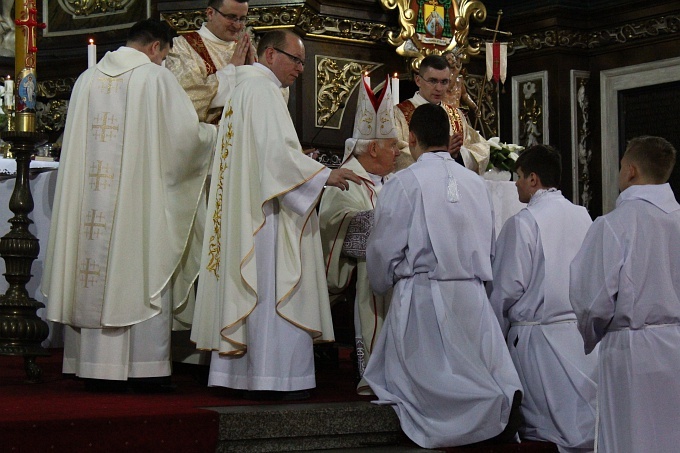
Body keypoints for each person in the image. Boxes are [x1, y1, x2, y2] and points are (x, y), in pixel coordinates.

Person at [41, 19, 217, 390]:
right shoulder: (155, 79)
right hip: (137, 207)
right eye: (166, 55)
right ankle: (142, 368)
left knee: (90, 268)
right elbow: (183, 140)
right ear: (156, 47)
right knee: (137, 267)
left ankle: (88, 363)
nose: (164, 62)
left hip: (90, 207)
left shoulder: (86, 80)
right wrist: (212, 134)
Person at [190, 29, 361, 398]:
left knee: (256, 288)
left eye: (303, 61)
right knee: (272, 285)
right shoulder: (263, 91)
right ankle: (273, 377)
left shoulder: (243, 91)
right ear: (269, 55)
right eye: (295, 59)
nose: (300, 68)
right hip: (266, 217)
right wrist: (324, 175)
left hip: (252, 209)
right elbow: (276, 157)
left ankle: (241, 375)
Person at [363, 103, 523, 448]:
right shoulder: (476, 183)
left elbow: (383, 247)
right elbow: (489, 241)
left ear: (412, 137)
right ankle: (498, 405)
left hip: (424, 294)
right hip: (472, 294)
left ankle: (478, 411)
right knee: (477, 366)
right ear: (451, 137)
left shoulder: (404, 182)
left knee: (428, 380)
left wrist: (382, 281)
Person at [570, 136, 680, 453]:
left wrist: (592, 335)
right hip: (675, 345)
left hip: (632, 348)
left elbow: (592, 302)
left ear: (630, 170)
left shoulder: (615, 224)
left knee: (631, 438)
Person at [488, 144, 598, 453]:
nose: (517, 184)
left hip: (536, 340)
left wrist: (493, 334)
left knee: (543, 432)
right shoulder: (583, 216)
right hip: (579, 340)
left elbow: (506, 290)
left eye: (519, 177)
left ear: (534, 179)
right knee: (583, 421)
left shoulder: (523, 223)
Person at [319, 76, 400, 395]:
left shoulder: (386, 183)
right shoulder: (348, 180)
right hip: (354, 273)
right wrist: (363, 222)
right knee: (374, 269)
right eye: (393, 144)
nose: (399, 150)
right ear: (375, 147)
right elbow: (332, 222)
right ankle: (375, 371)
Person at [394, 54, 489, 173]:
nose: (439, 88)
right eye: (433, 81)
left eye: (444, 82)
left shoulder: (456, 115)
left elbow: (481, 149)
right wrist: (441, 153)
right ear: (418, 80)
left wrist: (459, 155)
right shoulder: (399, 114)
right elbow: (395, 154)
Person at [165, 0, 255, 124]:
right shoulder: (182, 47)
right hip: (207, 139)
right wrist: (232, 70)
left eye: (242, 19)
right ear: (210, 13)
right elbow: (188, 99)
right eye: (231, 17)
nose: (238, 25)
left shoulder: (245, 48)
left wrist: (253, 72)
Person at [442, 50, 480, 118]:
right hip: (446, 112)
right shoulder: (443, 77)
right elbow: (449, 88)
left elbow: (464, 95)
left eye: (453, 57)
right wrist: (456, 72)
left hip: (457, 112)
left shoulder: (460, 78)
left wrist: (474, 106)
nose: (452, 60)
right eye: (449, 59)